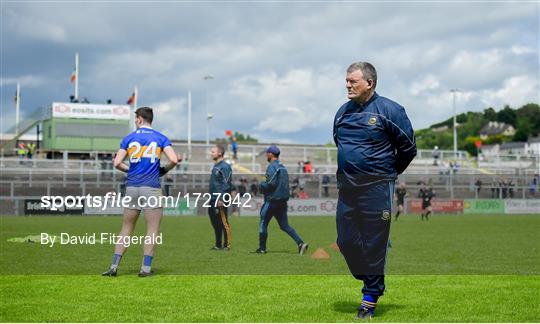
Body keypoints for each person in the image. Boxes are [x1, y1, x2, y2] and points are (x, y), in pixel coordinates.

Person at [333, 62, 416, 319]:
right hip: (347, 188)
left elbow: (408, 148)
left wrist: (388, 173)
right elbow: (340, 143)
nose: (347, 85)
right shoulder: (342, 113)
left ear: (369, 83)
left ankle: (370, 296)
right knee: (345, 241)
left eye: (353, 81)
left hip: (377, 188)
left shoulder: (390, 110)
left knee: (374, 244)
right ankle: (367, 276)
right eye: (346, 80)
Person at [102, 107, 178, 277]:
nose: (135, 121)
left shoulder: (129, 138)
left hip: (132, 187)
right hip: (151, 187)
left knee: (126, 227)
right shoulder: (160, 138)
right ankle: (145, 269)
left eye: (135, 118)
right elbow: (174, 159)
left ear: (140, 119)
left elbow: (116, 163)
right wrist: (164, 170)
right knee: (152, 228)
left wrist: (131, 171)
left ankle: (114, 267)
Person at [255, 145, 309, 255]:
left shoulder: (271, 167)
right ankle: (300, 243)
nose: (266, 154)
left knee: (263, 223)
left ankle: (262, 249)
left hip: (272, 201)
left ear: (271, 154)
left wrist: (261, 186)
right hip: (282, 201)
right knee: (285, 226)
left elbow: (271, 183)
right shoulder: (283, 167)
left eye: (267, 153)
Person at [208, 144, 233, 250]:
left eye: (213, 151)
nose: (211, 153)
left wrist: (222, 198)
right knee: (215, 222)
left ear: (219, 153)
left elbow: (226, 184)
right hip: (213, 198)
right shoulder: (216, 166)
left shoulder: (225, 166)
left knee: (223, 222)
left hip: (220, 199)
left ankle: (227, 245)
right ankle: (218, 245)